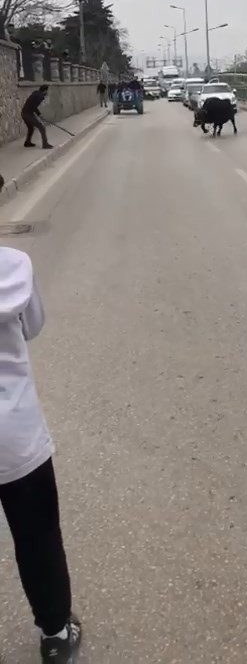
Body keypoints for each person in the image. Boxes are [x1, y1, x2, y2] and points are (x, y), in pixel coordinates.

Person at [0, 248, 81, 662]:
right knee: (37, 538)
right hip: (15, 438)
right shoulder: (14, 266)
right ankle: (55, 633)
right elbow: (32, 325)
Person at [21, 85, 52, 149]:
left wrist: (39, 115)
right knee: (42, 127)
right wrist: (39, 115)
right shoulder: (40, 96)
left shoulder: (35, 93)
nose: (47, 92)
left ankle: (27, 142)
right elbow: (34, 106)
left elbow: (33, 105)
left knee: (31, 128)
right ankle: (45, 144)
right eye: (47, 91)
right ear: (45, 90)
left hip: (24, 113)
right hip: (28, 114)